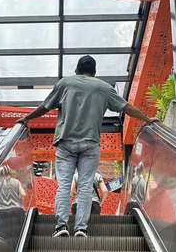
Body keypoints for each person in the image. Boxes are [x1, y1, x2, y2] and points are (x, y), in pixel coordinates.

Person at [22, 55, 152, 238]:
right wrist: (147, 119)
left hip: (66, 143)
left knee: (64, 186)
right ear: (94, 72)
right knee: (84, 187)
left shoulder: (65, 83)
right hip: (90, 144)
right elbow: (126, 107)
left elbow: (45, 107)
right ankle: (81, 228)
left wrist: (26, 118)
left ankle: (61, 226)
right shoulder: (104, 88)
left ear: (76, 70)